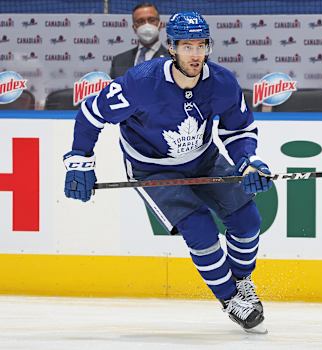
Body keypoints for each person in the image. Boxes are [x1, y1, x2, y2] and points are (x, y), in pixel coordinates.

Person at [63, 11, 272, 334]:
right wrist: (80, 159)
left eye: (201, 46)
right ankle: (231, 300)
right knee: (199, 227)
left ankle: (243, 282)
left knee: (248, 219)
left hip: (203, 159)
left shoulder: (222, 83)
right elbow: (91, 114)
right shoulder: (140, 83)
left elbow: (239, 130)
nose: (196, 54)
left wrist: (248, 161)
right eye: (187, 47)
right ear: (172, 48)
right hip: (152, 169)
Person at [110, 2, 169, 79]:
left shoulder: (172, 60)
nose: (146, 25)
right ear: (134, 28)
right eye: (140, 21)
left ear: (160, 25)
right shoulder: (119, 60)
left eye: (151, 20)